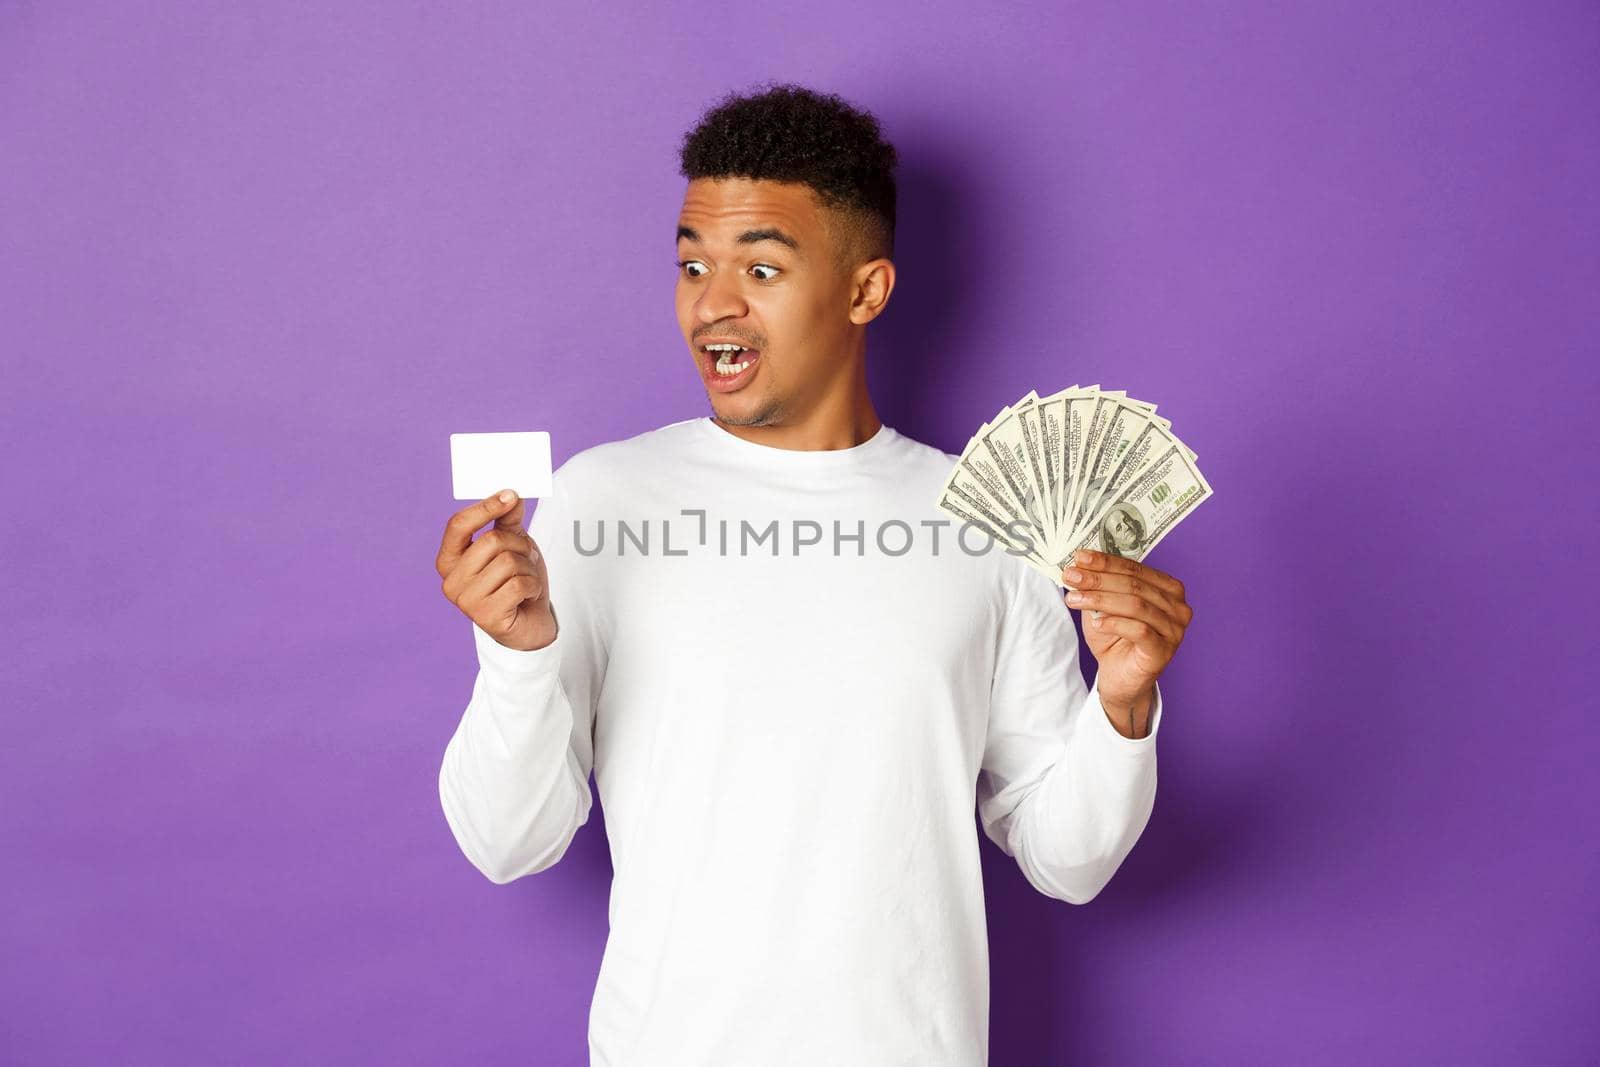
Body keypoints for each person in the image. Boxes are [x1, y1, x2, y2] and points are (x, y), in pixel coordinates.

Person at [434, 82, 1193, 1066]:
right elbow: (507, 840)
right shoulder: (602, 499)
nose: (713, 301)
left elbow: (1068, 857)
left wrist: (1123, 706)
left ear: (865, 290)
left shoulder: (985, 521)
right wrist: (517, 655)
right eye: (692, 264)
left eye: (760, 265)